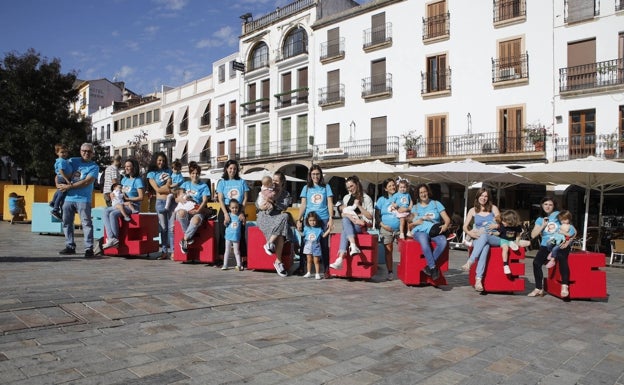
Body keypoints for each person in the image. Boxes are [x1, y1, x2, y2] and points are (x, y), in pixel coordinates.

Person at [57, 143, 99, 257]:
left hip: (84, 199)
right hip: (69, 197)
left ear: (93, 153)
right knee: (66, 222)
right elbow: (59, 171)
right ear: (80, 151)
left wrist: (69, 186)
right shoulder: (72, 161)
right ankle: (70, 246)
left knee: (86, 223)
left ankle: (88, 248)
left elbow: (86, 181)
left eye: (89, 151)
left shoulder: (94, 167)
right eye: (84, 151)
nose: (86, 153)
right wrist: (58, 183)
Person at [407, 183, 452, 282]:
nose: (423, 194)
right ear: (418, 195)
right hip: (420, 231)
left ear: (428, 192)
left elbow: (447, 219)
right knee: (424, 241)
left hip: (434, 230)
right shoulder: (415, 207)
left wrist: (444, 226)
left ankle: (429, 267)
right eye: (421, 193)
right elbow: (409, 225)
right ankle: (433, 267)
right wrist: (416, 222)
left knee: (443, 241)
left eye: (425, 192)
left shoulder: (436, 204)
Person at [528, 197, 573, 298]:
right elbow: (533, 235)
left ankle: (564, 285)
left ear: (554, 206)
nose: (547, 206)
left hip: (560, 242)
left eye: (550, 204)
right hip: (547, 244)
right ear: (542, 205)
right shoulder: (540, 219)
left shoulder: (558, 215)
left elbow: (572, 229)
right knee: (536, 263)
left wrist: (568, 241)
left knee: (562, 257)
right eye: (545, 204)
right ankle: (539, 288)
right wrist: (543, 225)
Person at [329, 175, 374, 271]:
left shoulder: (366, 198)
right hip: (349, 224)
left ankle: (340, 258)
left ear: (357, 184)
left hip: (361, 225)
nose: (350, 189)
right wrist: (347, 216)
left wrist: (359, 207)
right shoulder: (346, 197)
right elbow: (344, 214)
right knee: (345, 222)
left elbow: (370, 216)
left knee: (345, 228)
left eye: (352, 186)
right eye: (348, 187)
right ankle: (350, 248)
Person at [461, 188, 501, 292]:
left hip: (493, 237)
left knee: (484, 237)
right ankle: (478, 280)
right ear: (478, 197)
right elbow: (464, 227)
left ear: (488, 198)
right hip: (479, 238)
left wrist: (496, 225)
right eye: (481, 196)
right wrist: (469, 233)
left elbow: (500, 221)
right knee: (485, 247)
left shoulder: (493, 208)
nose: (483, 198)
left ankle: (470, 262)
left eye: (486, 196)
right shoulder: (472, 210)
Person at [298, 165, 334, 278]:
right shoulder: (306, 188)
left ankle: (326, 270)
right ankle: (302, 267)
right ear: (310, 175)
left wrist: (331, 218)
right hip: (309, 220)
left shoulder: (326, 187)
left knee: (323, 244)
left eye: (317, 174)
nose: (315, 176)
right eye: (313, 174)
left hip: (323, 219)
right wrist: (299, 219)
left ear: (321, 175)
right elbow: (303, 204)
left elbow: (329, 203)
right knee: (305, 244)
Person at [256, 171, 293, 277]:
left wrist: (273, 201)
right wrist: (261, 206)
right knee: (280, 232)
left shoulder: (286, 194)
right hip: (264, 216)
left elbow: (283, 207)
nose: (274, 183)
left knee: (285, 216)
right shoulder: (267, 189)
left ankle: (270, 245)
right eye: (273, 180)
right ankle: (278, 262)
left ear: (282, 182)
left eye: (277, 181)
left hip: (277, 217)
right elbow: (257, 203)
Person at [102, 159, 145, 250]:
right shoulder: (124, 179)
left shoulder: (138, 180)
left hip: (132, 205)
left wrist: (128, 199)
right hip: (121, 203)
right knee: (105, 211)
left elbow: (141, 197)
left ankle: (115, 239)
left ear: (134, 167)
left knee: (113, 214)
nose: (126, 168)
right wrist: (112, 193)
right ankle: (111, 238)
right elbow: (118, 190)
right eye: (125, 166)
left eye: (128, 166)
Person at [216, 160, 249, 261]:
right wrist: (226, 214)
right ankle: (221, 258)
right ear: (226, 169)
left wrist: (242, 212)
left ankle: (244, 258)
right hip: (225, 208)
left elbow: (245, 198)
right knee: (223, 233)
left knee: (240, 232)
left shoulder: (242, 182)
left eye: (234, 168)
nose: (232, 170)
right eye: (230, 168)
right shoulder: (222, 182)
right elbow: (220, 199)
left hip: (238, 208)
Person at [176, 161, 211, 254]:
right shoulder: (185, 184)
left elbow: (204, 201)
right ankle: (188, 237)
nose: (195, 175)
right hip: (185, 209)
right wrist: (180, 199)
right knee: (181, 213)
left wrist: (198, 211)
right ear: (190, 174)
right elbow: (177, 198)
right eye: (193, 173)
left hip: (197, 210)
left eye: (197, 173)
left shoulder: (204, 186)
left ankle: (184, 239)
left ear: (199, 174)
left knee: (196, 220)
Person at [147, 152, 174, 260]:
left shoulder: (168, 171)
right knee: (163, 228)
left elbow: (169, 185)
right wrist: (166, 189)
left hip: (171, 202)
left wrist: (165, 188)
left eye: (163, 160)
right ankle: (163, 251)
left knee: (172, 228)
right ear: (155, 160)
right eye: (159, 160)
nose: (161, 162)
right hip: (160, 202)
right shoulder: (151, 174)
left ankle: (173, 251)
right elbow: (157, 189)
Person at [375, 178, 399, 280]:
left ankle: (405, 269)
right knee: (388, 251)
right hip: (386, 228)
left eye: (393, 185)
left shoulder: (400, 197)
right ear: (385, 188)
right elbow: (376, 215)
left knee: (404, 249)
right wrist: (383, 226)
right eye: (389, 186)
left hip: (399, 229)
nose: (392, 187)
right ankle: (390, 272)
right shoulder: (381, 200)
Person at [496, 210, 531, 275]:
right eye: (502, 220)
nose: (502, 222)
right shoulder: (502, 226)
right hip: (504, 240)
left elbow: (518, 234)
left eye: (504, 221)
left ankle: (513, 244)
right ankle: (505, 265)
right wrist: (492, 232)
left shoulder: (517, 226)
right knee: (505, 248)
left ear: (510, 221)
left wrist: (517, 241)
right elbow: (498, 233)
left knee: (528, 243)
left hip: (513, 241)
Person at [302, 211, 331, 280]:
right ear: (307, 221)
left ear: (316, 220)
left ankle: (317, 273)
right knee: (308, 260)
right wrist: (297, 228)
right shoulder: (306, 228)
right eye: (310, 220)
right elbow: (303, 235)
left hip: (316, 246)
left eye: (314, 220)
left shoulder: (319, 229)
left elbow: (323, 235)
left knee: (316, 261)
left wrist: (329, 230)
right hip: (307, 245)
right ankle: (308, 272)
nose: (312, 222)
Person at [50, 144, 72, 220]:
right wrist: (67, 180)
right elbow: (61, 171)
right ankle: (55, 209)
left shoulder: (63, 160)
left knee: (58, 191)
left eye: (65, 152)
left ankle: (53, 202)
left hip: (61, 178)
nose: (64, 154)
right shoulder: (61, 161)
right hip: (63, 179)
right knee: (62, 193)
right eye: (62, 152)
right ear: (57, 153)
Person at [222, 199, 243, 271]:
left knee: (236, 251)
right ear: (229, 208)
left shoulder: (240, 215)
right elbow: (225, 224)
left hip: (236, 237)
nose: (234, 209)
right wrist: (225, 221)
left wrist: (243, 218)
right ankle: (225, 264)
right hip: (228, 236)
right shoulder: (229, 215)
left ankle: (239, 265)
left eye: (236, 207)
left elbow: (244, 223)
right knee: (227, 250)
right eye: (233, 208)